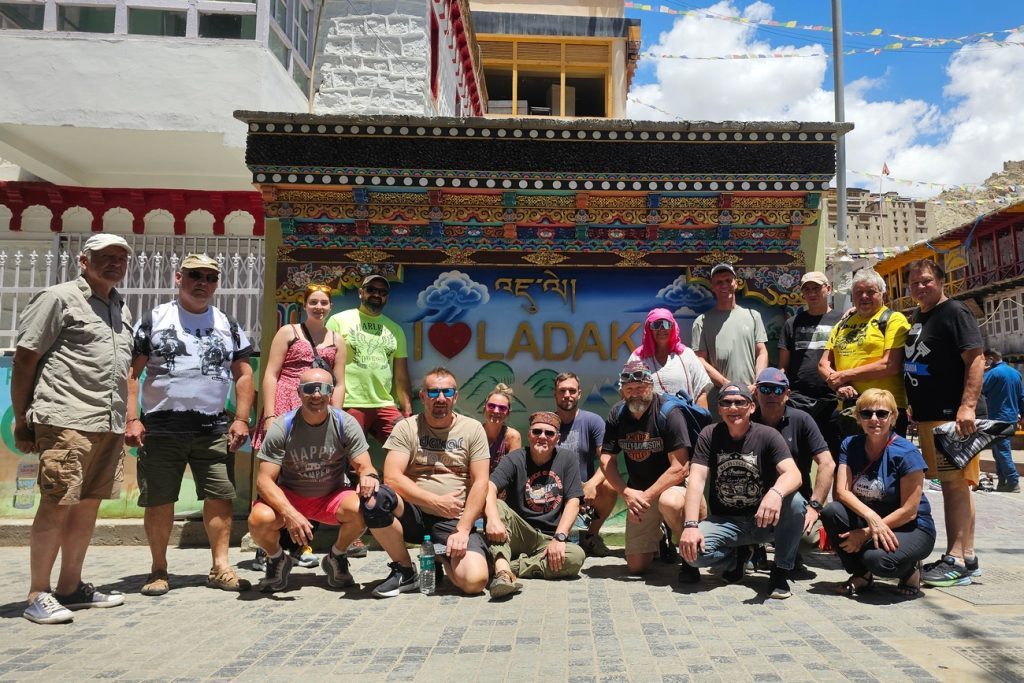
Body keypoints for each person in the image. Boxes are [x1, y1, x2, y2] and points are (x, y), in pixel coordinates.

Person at [12, 234, 134, 624]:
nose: (115, 263)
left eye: (121, 258)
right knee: (57, 504)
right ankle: (37, 593)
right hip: (66, 420)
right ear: (84, 260)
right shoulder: (58, 298)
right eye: (105, 256)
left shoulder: (120, 306)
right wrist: (22, 419)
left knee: (88, 505)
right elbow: (25, 360)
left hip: (107, 421)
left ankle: (70, 586)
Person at [127, 253, 254, 597]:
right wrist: (132, 417)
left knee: (220, 496)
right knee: (159, 499)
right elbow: (133, 372)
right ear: (179, 277)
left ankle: (221, 567)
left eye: (210, 278)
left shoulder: (227, 323)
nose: (203, 283)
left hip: (212, 427)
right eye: (196, 275)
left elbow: (244, 373)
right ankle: (158, 569)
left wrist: (241, 419)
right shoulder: (155, 318)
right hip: (161, 426)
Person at [248, 368, 418, 596]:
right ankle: (277, 558)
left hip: (330, 496)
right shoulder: (283, 426)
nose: (316, 395)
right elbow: (263, 481)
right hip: (291, 496)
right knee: (258, 519)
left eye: (324, 388)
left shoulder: (344, 423)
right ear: (299, 393)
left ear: (331, 393)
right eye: (309, 389)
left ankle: (337, 555)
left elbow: (365, 466)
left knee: (365, 507)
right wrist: (290, 513)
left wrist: (368, 477)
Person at [251, 283, 356, 566]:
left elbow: (339, 382)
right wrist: (270, 415)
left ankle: (299, 546)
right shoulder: (289, 332)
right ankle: (267, 548)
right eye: (313, 302)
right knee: (276, 477)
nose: (319, 307)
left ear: (331, 306)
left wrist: (337, 417)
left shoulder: (337, 340)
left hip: (321, 408)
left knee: (316, 473)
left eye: (324, 302)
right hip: (286, 404)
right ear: (304, 305)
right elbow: (270, 374)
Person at [901, 259, 987, 587]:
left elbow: (975, 358)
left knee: (954, 486)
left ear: (940, 281)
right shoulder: (920, 315)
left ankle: (955, 560)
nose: (920, 287)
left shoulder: (955, 312)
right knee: (957, 485)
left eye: (926, 281)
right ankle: (968, 556)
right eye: (914, 283)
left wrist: (967, 406)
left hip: (952, 415)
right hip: (929, 414)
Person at [679, 383, 804, 599]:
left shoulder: (768, 435)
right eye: (726, 403)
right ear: (719, 409)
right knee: (692, 556)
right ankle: (737, 558)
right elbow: (696, 479)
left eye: (740, 402)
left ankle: (780, 571)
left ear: (752, 407)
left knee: (796, 503)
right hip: (726, 521)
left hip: (763, 520)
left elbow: (794, 474)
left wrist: (775, 493)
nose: (733, 408)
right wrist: (690, 526)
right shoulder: (709, 434)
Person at [382, 368, 491, 594]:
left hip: (452, 519)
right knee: (376, 499)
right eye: (433, 392)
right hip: (412, 514)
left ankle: (439, 555)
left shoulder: (472, 429)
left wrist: (463, 529)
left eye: (447, 392)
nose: (440, 398)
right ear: (423, 396)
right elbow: (391, 477)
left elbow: (481, 482)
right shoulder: (407, 427)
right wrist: (434, 501)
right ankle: (405, 569)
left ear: (455, 396)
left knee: (475, 581)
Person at [820, 389, 936, 598]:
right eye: (866, 413)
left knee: (876, 560)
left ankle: (910, 570)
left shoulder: (907, 453)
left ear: (893, 417)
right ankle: (862, 575)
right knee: (831, 512)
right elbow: (842, 491)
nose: (874, 419)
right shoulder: (850, 444)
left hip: (910, 527)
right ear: (858, 418)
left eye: (882, 414)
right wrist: (872, 519)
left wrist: (864, 533)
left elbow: (909, 511)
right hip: (872, 519)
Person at [599, 361, 691, 579]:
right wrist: (626, 493)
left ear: (651, 386)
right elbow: (606, 459)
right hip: (639, 491)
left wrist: (644, 499)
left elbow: (680, 468)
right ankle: (659, 538)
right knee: (636, 566)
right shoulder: (617, 413)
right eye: (629, 389)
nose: (635, 394)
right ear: (622, 391)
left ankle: (689, 557)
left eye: (640, 388)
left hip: (673, 488)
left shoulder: (669, 412)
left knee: (670, 503)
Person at [483, 411, 586, 598]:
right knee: (497, 505)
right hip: (518, 532)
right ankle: (503, 573)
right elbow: (490, 486)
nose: (542, 437)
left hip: (548, 538)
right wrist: (492, 520)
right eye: (537, 431)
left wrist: (559, 539)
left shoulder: (567, 459)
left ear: (557, 438)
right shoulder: (515, 458)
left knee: (576, 557)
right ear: (529, 435)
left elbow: (573, 501)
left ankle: (501, 566)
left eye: (549, 433)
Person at [751, 368, 835, 561]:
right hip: (752, 500)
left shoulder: (802, 420)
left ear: (788, 394)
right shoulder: (747, 420)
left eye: (778, 390)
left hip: (793, 502)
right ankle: (751, 548)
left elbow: (827, 463)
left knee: (808, 539)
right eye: (765, 389)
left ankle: (788, 551)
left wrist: (814, 507)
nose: (772, 395)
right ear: (756, 393)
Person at [819, 269, 911, 436]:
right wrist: (839, 384)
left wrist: (844, 376)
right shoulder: (843, 322)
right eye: (858, 292)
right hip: (849, 410)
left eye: (870, 292)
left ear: (883, 295)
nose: (864, 296)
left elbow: (890, 365)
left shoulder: (893, 319)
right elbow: (823, 364)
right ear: (852, 297)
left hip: (883, 411)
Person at [326, 274, 412, 446]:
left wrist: (407, 410)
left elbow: (401, 376)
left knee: (406, 444)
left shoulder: (395, 329)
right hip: (349, 403)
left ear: (386, 297)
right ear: (360, 293)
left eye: (382, 292)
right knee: (349, 454)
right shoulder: (338, 321)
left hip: (384, 404)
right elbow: (326, 365)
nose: (376, 295)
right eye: (371, 290)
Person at [778, 271, 844, 456]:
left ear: (828, 289)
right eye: (807, 289)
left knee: (834, 456)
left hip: (833, 400)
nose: (812, 293)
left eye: (816, 288)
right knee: (797, 456)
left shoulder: (843, 321)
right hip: (798, 400)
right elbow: (783, 365)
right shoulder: (792, 323)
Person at [552, 371, 612, 557]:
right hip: (553, 488)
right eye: (562, 391)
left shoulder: (593, 421)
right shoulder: (546, 422)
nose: (567, 395)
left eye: (572, 391)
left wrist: (592, 484)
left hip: (585, 489)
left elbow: (607, 461)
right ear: (555, 394)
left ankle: (591, 536)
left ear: (579, 393)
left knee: (610, 485)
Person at [691, 262, 768, 408]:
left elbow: (761, 351)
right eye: (719, 282)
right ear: (712, 287)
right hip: (720, 399)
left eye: (728, 280)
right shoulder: (701, 322)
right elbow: (699, 359)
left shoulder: (753, 316)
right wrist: (727, 385)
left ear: (736, 283)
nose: (724, 285)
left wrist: (757, 383)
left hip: (751, 396)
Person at [628, 307, 712, 408]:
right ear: (649, 329)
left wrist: (700, 416)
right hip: (649, 417)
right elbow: (626, 390)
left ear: (673, 327)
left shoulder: (686, 354)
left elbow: (701, 391)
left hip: (684, 417)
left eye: (666, 324)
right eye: (656, 325)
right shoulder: (638, 357)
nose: (662, 329)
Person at [982, 349, 1023, 492]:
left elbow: (979, 388)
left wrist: (981, 371)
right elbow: (1021, 396)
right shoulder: (1016, 373)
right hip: (1012, 417)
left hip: (998, 417)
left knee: (1002, 451)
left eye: (985, 359)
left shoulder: (993, 373)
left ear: (991, 358)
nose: (984, 362)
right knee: (998, 450)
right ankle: (1002, 481)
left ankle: (1012, 481)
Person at [482, 383, 522, 474]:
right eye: (491, 406)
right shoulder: (475, 432)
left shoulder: (512, 437)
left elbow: (512, 472)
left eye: (502, 408)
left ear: (508, 412)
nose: (496, 411)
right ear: (485, 408)